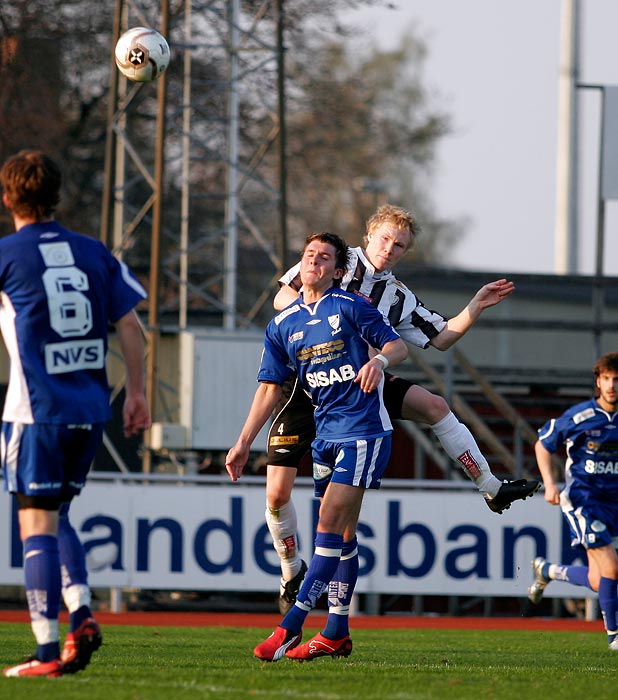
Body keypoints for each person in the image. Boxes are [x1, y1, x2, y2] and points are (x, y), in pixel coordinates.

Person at [266, 203, 540, 614]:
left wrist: (476, 305)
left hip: (363, 387)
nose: (391, 249)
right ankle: (291, 570)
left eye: (400, 245)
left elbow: (442, 337)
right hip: (312, 389)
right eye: (385, 239)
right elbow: (283, 295)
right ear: (368, 237)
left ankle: (491, 488)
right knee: (276, 495)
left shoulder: (398, 297)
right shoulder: (335, 261)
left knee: (434, 406)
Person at [0, 150, 151, 677]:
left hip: (35, 412)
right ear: (56, 195)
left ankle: (45, 651)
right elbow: (131, 326)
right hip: (90, 410)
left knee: (34, 525)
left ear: (7, 198)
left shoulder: (6, 254)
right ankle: (82, 613)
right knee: (59, 513)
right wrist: (136, 394)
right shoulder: (92, 251)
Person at [226, 231, 408, 661]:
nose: (315, 262)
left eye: (325, 257)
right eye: (309, 255)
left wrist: (379, 362)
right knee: (342, 535)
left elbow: (396, 346)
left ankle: (289, 627)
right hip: (324, 437)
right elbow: (270, 388)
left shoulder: (350, 306)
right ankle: (336, 633)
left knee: (327, 525)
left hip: (363, 431)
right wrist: (242, 442)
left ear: (337, 271)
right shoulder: (282, 325)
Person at [528, 352, 618, 651]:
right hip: (583, 499)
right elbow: (543, 445)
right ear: (598, 381)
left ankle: (549, 571)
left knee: (599, 579)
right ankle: (614, 637)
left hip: (613, 503)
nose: (612, 386)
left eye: (617, 380)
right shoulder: (580, 416)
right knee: (612, 569)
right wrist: (550, 484)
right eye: (607, 379)